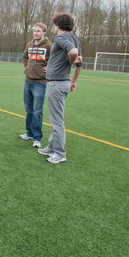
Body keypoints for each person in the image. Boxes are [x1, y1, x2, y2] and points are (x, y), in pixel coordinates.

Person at [38, 14, 83, 163]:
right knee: (56, 117)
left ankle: (59, 153)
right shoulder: (75, 39)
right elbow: (79, 63)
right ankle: (51, 147)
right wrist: (73, 81)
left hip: (57, 84)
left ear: (57, 24)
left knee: (57, 120)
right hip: (63, 82)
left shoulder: (60, 38)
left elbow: (74, 54)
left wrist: (70, 60)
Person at [19, 23, 52, 148]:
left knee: (37, 111)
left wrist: (49, 68)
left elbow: (55, 59)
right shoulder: (30, 44)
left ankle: (37, 137)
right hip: (28, 81)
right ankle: (29, 133)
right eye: (34, 31)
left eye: (38, 31)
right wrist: (26, 66)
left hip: (40, 83)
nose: (35, 33)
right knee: (29, 109)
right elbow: (24, 56)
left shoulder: (49, 46)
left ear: (44, 32)